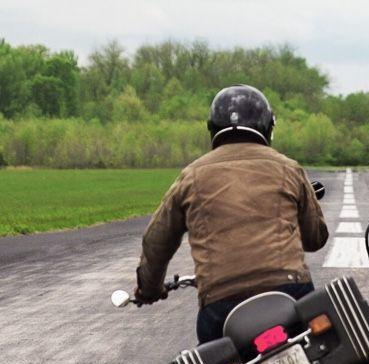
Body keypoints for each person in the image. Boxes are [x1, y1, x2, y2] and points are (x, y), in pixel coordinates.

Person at [134, 85, 329, 343]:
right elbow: (316, 239)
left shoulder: (191, 176)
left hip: (221, 302)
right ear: (267, 127)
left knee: (214, 363)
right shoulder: (288, 168)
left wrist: (149, 288)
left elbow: (157, 240)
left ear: (213, 129)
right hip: (290, 290)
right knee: (321, 346)